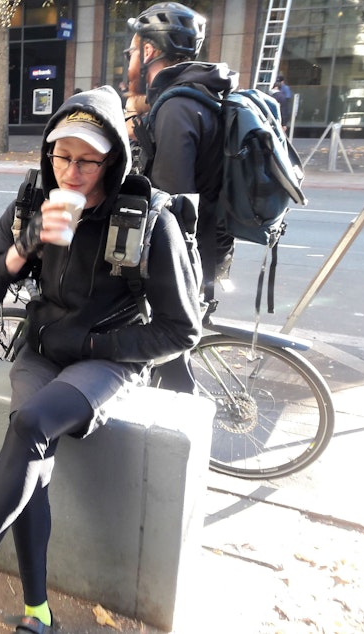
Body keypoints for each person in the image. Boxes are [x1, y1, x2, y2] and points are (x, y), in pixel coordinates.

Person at [0, 86, 202, 634]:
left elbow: (183, 329)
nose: (72, 171)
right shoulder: (34, 204)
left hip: (107, 358)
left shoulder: (149, 221)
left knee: (30, 423)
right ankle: (39, 614)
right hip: (40, 350)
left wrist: (96, 347)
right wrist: (24, 247)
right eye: (62, 156)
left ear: (113, 160)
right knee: (30, 454)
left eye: (88, 160)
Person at [124, 1, 237, 393]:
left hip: (185, 254)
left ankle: (174, 440)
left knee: (171, 357)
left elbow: (171, 201)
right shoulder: (194, 97)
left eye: (132, 50)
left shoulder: (177, 107)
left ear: (149, 51)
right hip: (207, 244)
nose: (129, 59)